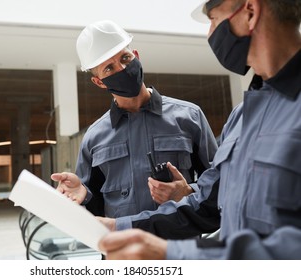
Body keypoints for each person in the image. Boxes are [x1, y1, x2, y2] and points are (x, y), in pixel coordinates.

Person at [98, 0, 301, 259]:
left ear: (250, 12)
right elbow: (205, 203)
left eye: (214, 19)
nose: (210, 34)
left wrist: (172, 254)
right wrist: (120, 227)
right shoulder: (242, 118)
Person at [51, 20, 218, 218]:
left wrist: (188, 192)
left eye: (125, 58)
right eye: (109, 69)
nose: (121, 69)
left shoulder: (190, 117)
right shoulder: (94, 138)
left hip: (179, 245)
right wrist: (84, 195)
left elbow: (219, 182)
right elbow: (95, 214)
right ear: (99, 82)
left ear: (136, 56)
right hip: (123, 247)